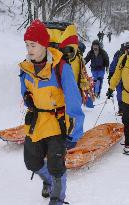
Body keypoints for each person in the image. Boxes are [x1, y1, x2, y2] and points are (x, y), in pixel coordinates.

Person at [19, 19, 84, 205]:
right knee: (31, 162)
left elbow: (74, 101)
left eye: (33, 44)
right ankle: (47, 180)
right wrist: (26, 97)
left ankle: (57, 199)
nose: (29, 49)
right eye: (26, 45)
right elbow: (24, 88)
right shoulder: (26, 66)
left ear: (44, 45)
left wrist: (74, 133)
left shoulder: (60, 67)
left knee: (57, 166)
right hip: (36, 121)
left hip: (57, 123)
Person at [108, 42, 129, 115]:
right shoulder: (120, 56)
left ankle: (128, 110)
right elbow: (113, 65)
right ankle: (121, 109)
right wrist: (111, 76)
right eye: (127, 49)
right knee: (119, 95)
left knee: (128, 95)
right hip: (119, 80)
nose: (128, 51)